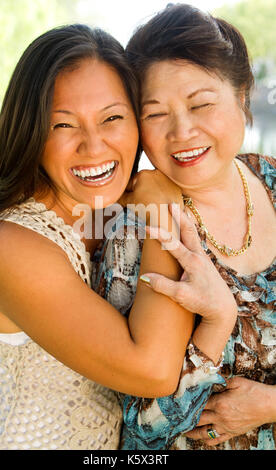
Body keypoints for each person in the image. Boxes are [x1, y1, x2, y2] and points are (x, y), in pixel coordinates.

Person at [0, 23, 237, 450]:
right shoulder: (10, 246)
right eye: (63, 126)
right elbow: (153, 369)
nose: (93, 146)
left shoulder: (113, 210)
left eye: (112, 118)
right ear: (31, 132)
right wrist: (161, 208)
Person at [92, 4, 276, 450]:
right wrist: (216, 323)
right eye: (155, 114)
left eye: (201, 104)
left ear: (242, 97)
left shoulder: (272, 181)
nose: (182, 131)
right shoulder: (134, 231)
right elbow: (139, 434)